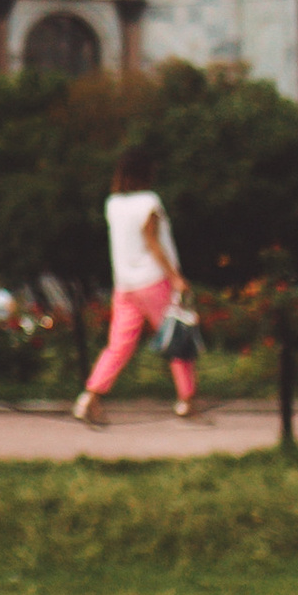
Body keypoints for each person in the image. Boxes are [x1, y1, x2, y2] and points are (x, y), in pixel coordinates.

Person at [73, 151, 198, 425]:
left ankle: (90, 396)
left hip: (124, 284)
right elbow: (152, 242)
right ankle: (186, 400)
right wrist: (175, 276)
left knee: (118, 346)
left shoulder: (113, 204)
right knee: (176, 337)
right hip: (154, 280)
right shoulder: (150, 201)